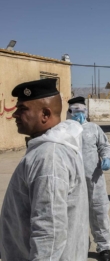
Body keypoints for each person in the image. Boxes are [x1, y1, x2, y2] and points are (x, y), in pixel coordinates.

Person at [0, 79, 89, 260]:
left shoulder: (49, 157)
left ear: (45, 114)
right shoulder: (50, 149)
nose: (15, 114)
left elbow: (50, 232)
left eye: (22, 109)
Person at [67, 96, 110, 261]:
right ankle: (78, 246)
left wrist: (107, 157)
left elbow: (104, 146)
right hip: (71, 181)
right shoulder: (63, 130)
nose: (79, 115)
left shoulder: (94, 128)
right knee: (73, 214)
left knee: (99, 212)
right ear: (69, 112)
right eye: (75, 112)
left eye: (82, 112)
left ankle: (104, 247)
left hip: (94, 179)